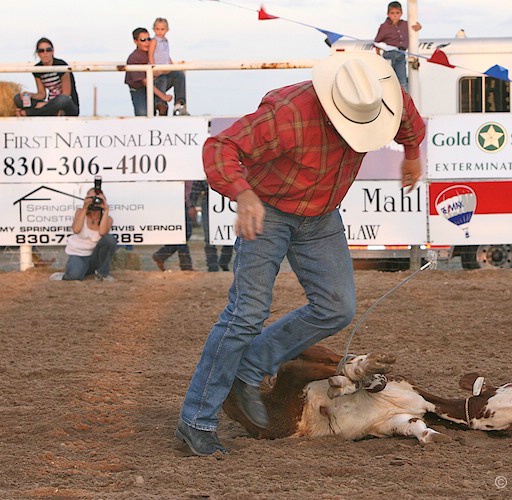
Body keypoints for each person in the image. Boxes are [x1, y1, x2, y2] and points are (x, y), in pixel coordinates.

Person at [175, 51, 426, 456]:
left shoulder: (384, 96)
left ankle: (250, 367)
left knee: (337, 307)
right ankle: (196, 419)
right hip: (269, 210)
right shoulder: (287, 113)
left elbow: (408, 118)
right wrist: (242, 193)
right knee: (246, 313)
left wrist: (412, 151)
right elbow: (221, 146)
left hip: (321, 214)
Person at [49, 186, 116, 281]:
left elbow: (102, 232)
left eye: (98, 199)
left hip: (95, 256)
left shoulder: (108, 219)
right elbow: (76, 230)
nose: (94, 202)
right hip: (78, 254)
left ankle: (102, 274)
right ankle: (67, 274)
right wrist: (85, 207)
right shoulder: (80, 212)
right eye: (91, 198)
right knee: (75, 276)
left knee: (110, 239)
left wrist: (106, 210)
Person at [13, 37, 79, 117]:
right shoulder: (37, 69)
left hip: (67, 105)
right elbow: (42, 94)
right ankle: (51, 112)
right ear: (38, 53)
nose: (45, 53)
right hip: (50, 104)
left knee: (63, 100)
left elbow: (66, 94)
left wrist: (45, 104)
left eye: (48, 50)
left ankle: (30, 113)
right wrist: (30, 95)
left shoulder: (61, 65)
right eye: (41, 51)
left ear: (53, 51)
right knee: (18, 98)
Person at [125, 28, 172, 117]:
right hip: (139, 89)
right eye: (143, 40)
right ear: (135, 41)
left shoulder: (154, 51)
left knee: (178, 74)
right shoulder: (134, 58)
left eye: (149, 39)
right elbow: (145, 81)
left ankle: (178, 105)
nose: (147, 42)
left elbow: (167, 62)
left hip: (156, 82)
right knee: (143, 114)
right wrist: (163, 96)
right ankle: (158, 103)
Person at [374, 1, 422, 88]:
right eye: (392, 13)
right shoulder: (384, 26)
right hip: (389, 54)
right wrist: (378, 56)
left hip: (401, 54)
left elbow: (416, 27)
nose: (395, 15)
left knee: (402, 80)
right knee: (388, 79)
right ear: (388, 14)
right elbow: (377, 42)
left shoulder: (405, 24)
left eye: (397, 13)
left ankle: (404, 100)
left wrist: (419, 26)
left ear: (401, 13)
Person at [191, 180, 233, 272]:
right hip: (210, 199)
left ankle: (223, 262)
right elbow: (197, 185)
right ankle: (212, 266)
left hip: (228, 199)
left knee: (229, 234)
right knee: (209, 236)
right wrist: (192, 204)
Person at [152, 181, 195, 271]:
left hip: (180, 202)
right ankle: (185, 265)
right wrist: (190, 205)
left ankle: (162, 255)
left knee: (184, 234)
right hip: (180, 202)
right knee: (184, 234)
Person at [149, 17, 188, 116]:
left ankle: (179, 103)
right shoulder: (154, 41)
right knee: (161, 80)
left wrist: (172, 65)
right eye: (157, 29)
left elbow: (166, 54)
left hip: (166, 69)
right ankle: (161, 105)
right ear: (154, 29)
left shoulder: (166, 41)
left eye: (162, 29)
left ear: (167, 30)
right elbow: (151, 54)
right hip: (158, 71)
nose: (160, 32)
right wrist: (153, 67)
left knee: (179, 75)